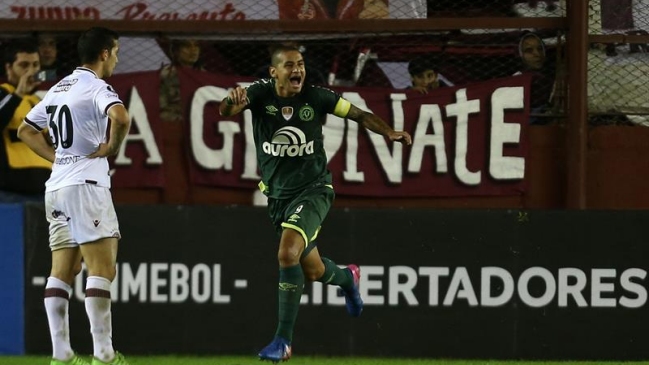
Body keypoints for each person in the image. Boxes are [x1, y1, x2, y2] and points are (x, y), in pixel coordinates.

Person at [219, 45, 412, 362]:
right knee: (313, 270)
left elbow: (359, 114)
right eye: (290, 65)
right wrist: (231, 102)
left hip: (314, 189)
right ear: (275, 72)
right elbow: (226, 111)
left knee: (287, 253)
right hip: (278, 196)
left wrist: (388, 132)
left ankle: (283, 341)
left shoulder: (317, 97)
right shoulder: (260, 94)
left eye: (301, 64)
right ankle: (348, 278)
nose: (298, 70)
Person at [17, 27, 131, 365]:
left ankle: (62, 355)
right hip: (87, 186)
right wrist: (111, 147)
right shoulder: (97, 87)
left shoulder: (58, 87)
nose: (117, 59)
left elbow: (26, 130)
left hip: (57, 187)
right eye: (117, 52)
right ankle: (105, 355)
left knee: (61, 271)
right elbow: (121, 116)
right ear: (105, 54)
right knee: (102, 268)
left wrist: (57, 159)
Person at [0, 38, 52, 203]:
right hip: (10, 194)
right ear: (9, 68)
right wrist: (18, 94)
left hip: (45, 194)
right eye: (24, 66)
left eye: (35, 65)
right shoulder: (3, 94)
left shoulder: (37, 101)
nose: (31, 71)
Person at [513, 31, 560, 124]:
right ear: (519, 54)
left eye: (540, 49)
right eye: (529, 51)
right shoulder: (515, 80)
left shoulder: (551, 79)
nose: (537, 54)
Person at [159, 39, 203, 122]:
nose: (193, 50)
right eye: (187, 46)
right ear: (175, 51)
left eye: (196, 45)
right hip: (174, 120)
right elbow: (160, 106)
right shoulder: (165, 75)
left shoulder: (206, 76)